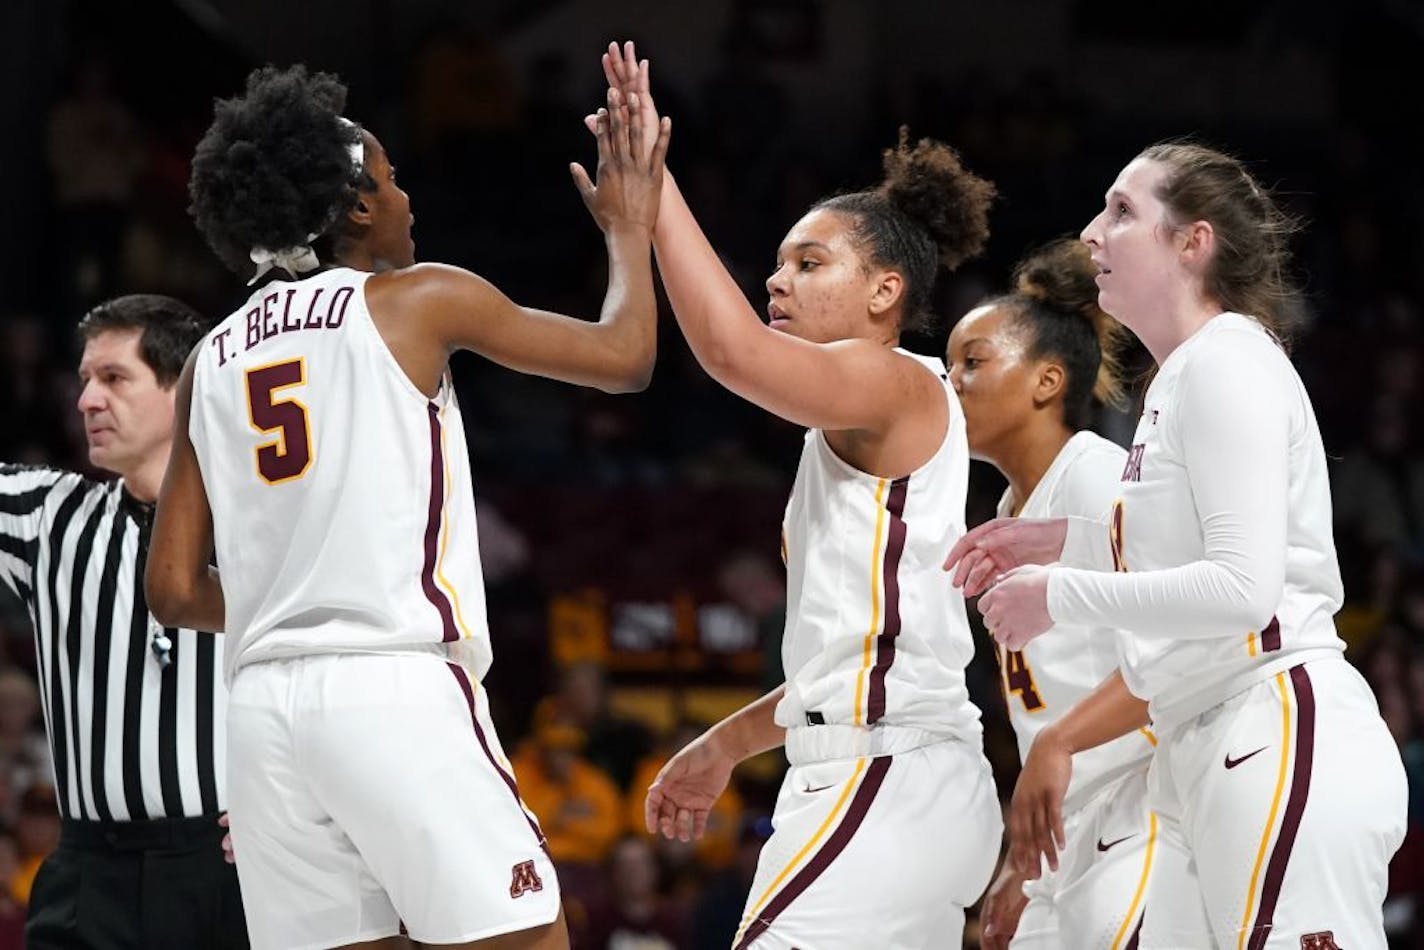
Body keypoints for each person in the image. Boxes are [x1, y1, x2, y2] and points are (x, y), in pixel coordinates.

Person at [144, 64, 668, 950]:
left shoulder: (210, 359)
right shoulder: (416, 300)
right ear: (352, 207)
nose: (405, 195)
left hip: (263, 715)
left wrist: (298, 598)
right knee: (531, 937)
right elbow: (625, 357)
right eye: (388, 180)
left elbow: (171, 589)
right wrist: (630, 229)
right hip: (392, 684)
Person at [945, 142, 1408, 948]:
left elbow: (1241, 590)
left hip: (1275, 718)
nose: (1093, 232)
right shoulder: (1183, 376)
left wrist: (1059, 592)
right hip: (1207, 742)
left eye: (1123, 211)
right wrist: (1067, 540)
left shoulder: (1229, 361)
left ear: (1193, 243)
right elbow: (1177, 551)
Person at [600, 42, 1002, 949]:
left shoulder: (893, 382)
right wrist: (722, 746)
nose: (778, 279)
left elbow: (732, 353)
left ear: (883, 292)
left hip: (885, 782)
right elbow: (848, 665)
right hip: (892, 776)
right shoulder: (864, 418)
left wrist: (654, 188)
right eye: (780, 263)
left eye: (809, 263)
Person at [0, 294, 244, 948]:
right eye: (84, 380)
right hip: (87, 873)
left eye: (113, 378)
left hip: (227, 872)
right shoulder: (46, 515)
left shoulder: (262, 520)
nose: (85, 401)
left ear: (184, 391)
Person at [945, 237, 1153, 949]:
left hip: (1144, 810)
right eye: (948, 366)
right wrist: (1020, 859)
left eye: (972, 363)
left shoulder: (1103, 482)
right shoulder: (1007, 514)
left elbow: (1181, 660)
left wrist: (1058, 749)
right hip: (1064, 830)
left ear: (1047, 382)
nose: (952, 383)